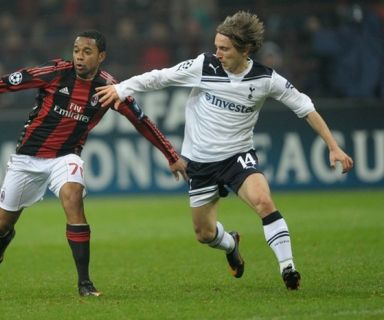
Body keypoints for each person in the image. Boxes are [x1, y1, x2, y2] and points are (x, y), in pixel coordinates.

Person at [96, 12, 354, 290]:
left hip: (237, 157)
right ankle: (231, 243)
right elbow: (161, 77)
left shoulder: (266, 79)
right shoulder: (204, 66)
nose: (217, 52)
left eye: (224, 48)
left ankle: (288, 268)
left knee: (264, 202)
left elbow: (305, 107)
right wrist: (121, 88)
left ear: (245, 49)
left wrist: (333, 146)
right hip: (200, 162)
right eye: (216, 46)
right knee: (205, 234)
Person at [0, 30, 188, 297]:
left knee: (73, 197)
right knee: (2, 224)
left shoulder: (108, 88)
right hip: (27, 159)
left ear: (101, 56)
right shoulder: (54, 73)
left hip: (65, 157)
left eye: (87, 52)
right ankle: (1, 241)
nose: (79, 57)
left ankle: (85, 284)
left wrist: (171, 154)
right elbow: (4, 83)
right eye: (77, 51)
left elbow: (140, 120)